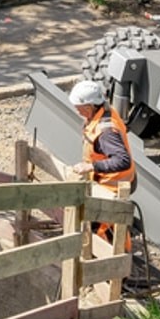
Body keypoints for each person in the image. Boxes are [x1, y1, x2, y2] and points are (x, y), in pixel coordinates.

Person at [67, 80, 133, 242]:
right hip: (105, 180)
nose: (77, 111)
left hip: (112, 185)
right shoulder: (103, 111)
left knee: (105, 227)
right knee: (107, 223)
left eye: (78, 108)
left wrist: (91, 166)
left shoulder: (106, 132)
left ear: (89, 107)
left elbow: (123, 161)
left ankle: (119, 260)